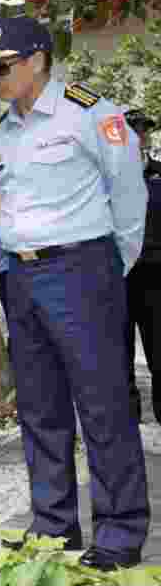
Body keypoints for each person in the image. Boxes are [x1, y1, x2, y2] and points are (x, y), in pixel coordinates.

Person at [0, 16, 149, 571]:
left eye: (1, 66)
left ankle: (120, 536)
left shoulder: (91, 114)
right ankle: (53, 528)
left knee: (102, 407)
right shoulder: (1, 132)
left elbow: (128, 198)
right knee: (40, 407)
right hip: (22, 279)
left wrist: (109, 267)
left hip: (82, 270)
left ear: (37, 61)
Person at [126, 109, 161, 424]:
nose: (141, 135)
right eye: (135, 129)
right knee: (119, 354)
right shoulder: (106, 177)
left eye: (144, 130)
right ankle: (128, 418)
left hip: (156, 277)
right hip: (119, 277)